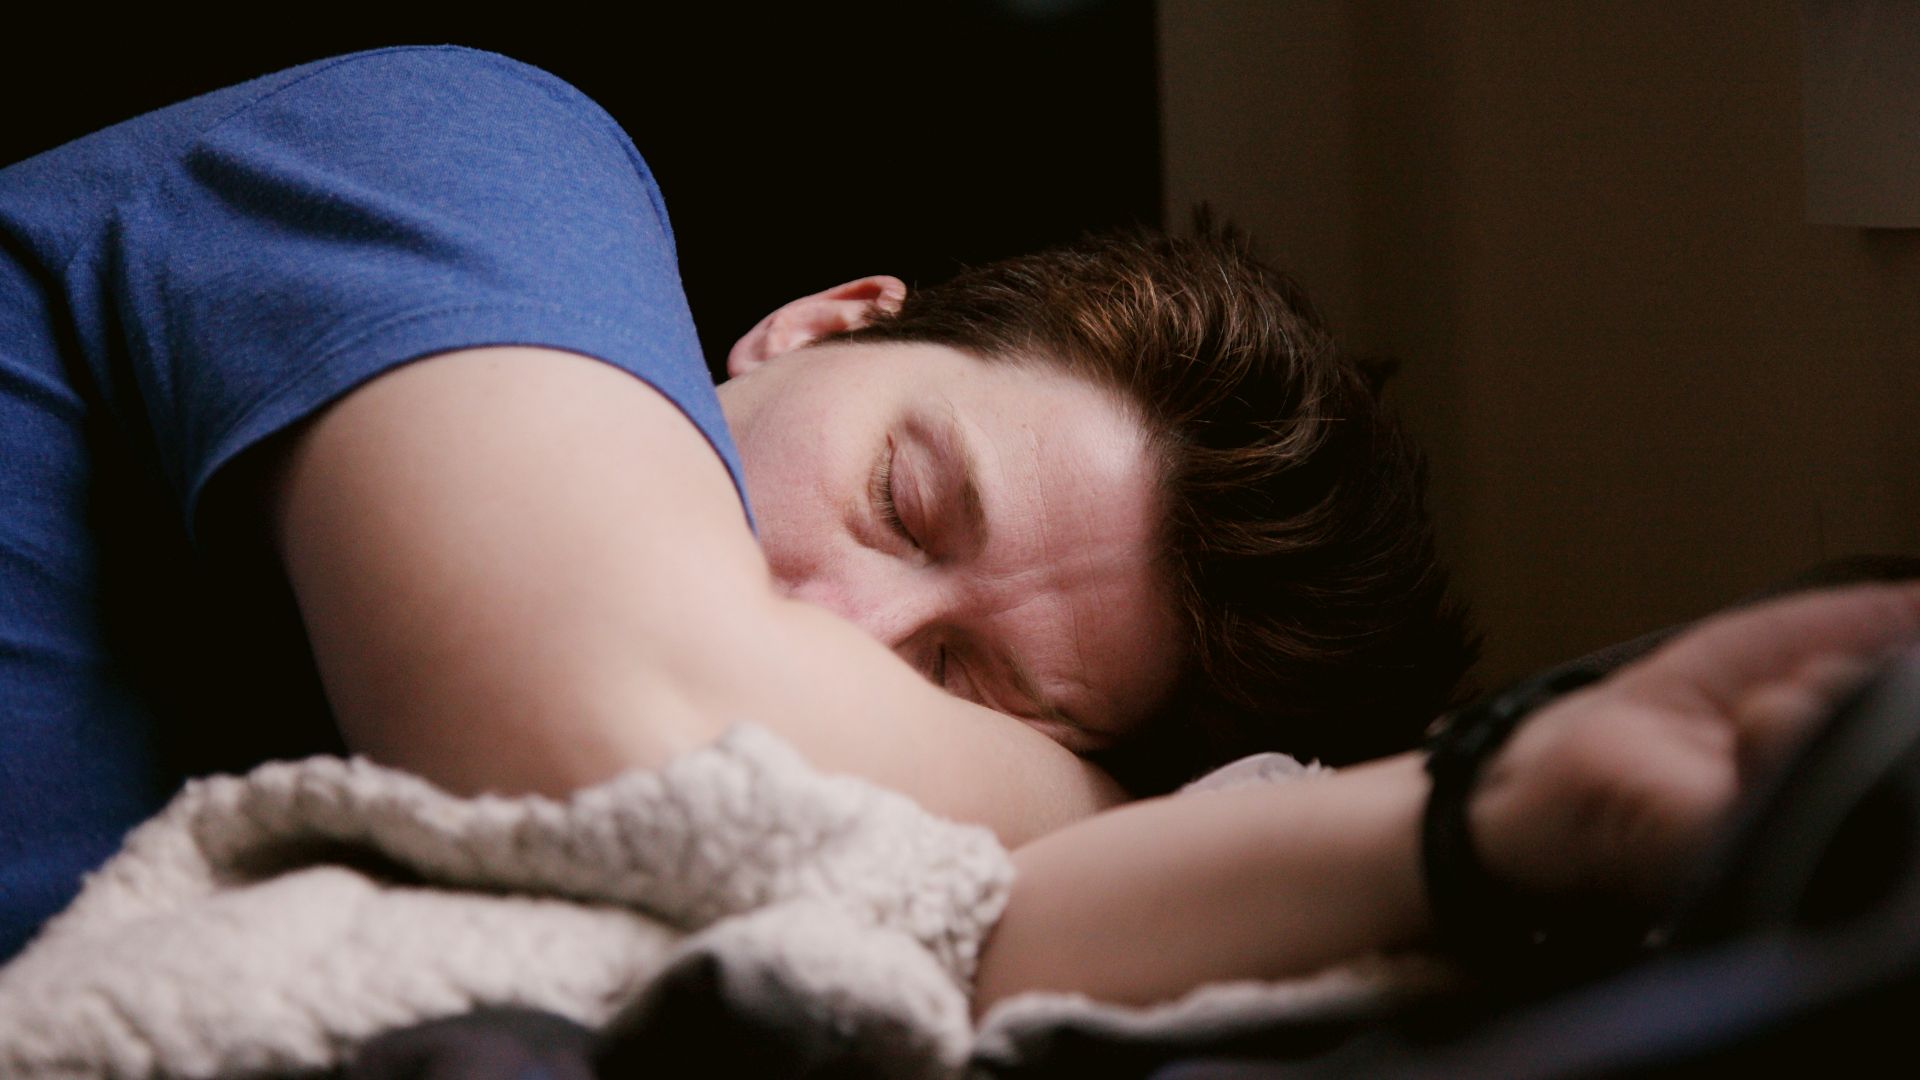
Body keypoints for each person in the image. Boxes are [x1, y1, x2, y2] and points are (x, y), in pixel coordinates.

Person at [4, 45, 1912, 1024]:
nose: (829, 627)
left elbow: (936, 917)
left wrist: (1522, 806)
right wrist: (1172, 807)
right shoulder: (469, 152)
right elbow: (635, 735)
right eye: (905, 499)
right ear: (822, 325)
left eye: (960, 686)